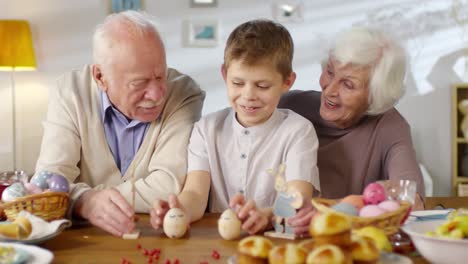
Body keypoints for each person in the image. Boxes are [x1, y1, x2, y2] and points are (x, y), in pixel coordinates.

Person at [34, 11, 205, 236]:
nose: (156, 95)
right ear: (100, 77)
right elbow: (46, 183)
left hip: (155, 237)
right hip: (82, 241)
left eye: (160, 76)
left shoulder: (184, 93)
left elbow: (168, 186)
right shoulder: (69, 93)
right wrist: (86, 202)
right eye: (139, 83)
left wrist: (80, 198)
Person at [150, 19, 320, 236]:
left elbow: (297, 196)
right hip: (217, 242)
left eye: (262, 86)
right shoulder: (206, 129)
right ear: (224, 74)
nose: (248, 95)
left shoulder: (298, 130)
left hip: (276, 242)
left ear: (287, 82)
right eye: (238, 83)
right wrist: (179, 209)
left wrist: (268, 215)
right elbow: (195, 193)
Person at [279, 27, 425, 212]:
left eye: (348, 84)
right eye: (330, 72)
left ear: (375, 94)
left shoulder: (389, 126)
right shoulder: (289, 106)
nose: (329, 90)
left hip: (348, 233)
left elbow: (410, 196)